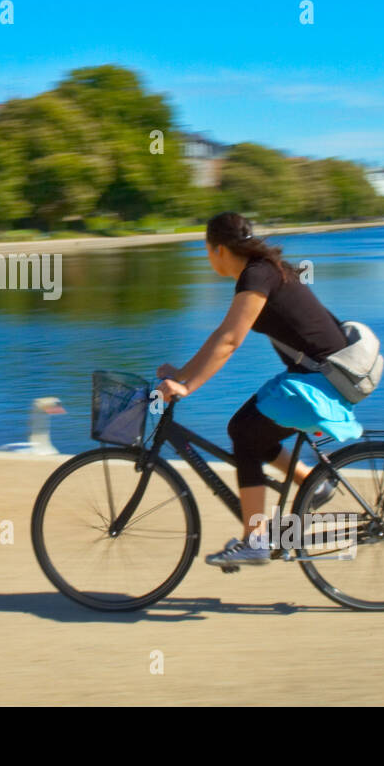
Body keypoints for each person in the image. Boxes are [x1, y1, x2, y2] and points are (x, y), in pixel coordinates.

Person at [156, 212, 364, 567]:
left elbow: (230, 340)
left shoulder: (257, 275)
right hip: (320, 376)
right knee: (252, 433)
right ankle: (314, 481)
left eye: (207, 251)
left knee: (244, 432)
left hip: (324, 380)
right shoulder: (262, 270)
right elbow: (222, 335)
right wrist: (182, 373)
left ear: (218, 249)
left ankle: (255, 540)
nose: (208, 258)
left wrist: (187, 386)